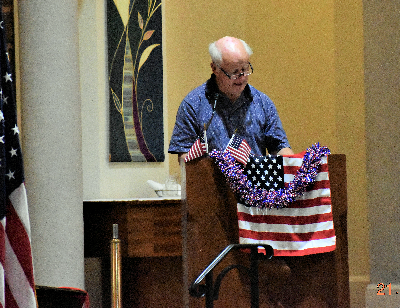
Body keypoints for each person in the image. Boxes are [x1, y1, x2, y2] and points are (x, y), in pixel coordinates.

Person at [168, 36, 294, 161]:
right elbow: (184, 155)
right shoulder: (193, 104)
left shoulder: (262, 102)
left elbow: (280, 147)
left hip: (254, 179)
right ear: (214, 68)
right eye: (234, 72)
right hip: (210, 179)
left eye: (245, 69)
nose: (242, 77)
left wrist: (295, 167)